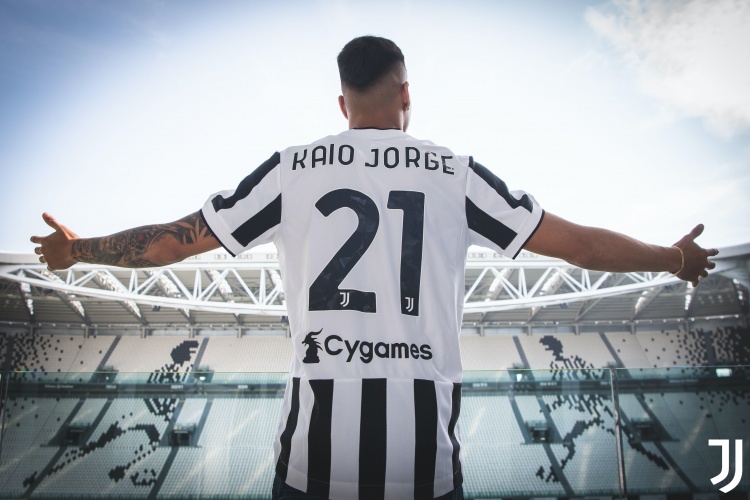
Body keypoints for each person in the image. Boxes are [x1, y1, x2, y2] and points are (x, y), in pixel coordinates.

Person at [31, 36, 717, 500]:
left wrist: (77, 249)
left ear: (342, 103)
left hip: (310, 467)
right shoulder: (455, 174)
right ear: (406, 94)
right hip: (424, 470)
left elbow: (171, 244)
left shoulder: (291, 171)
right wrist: (674, 257)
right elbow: (581, 248)